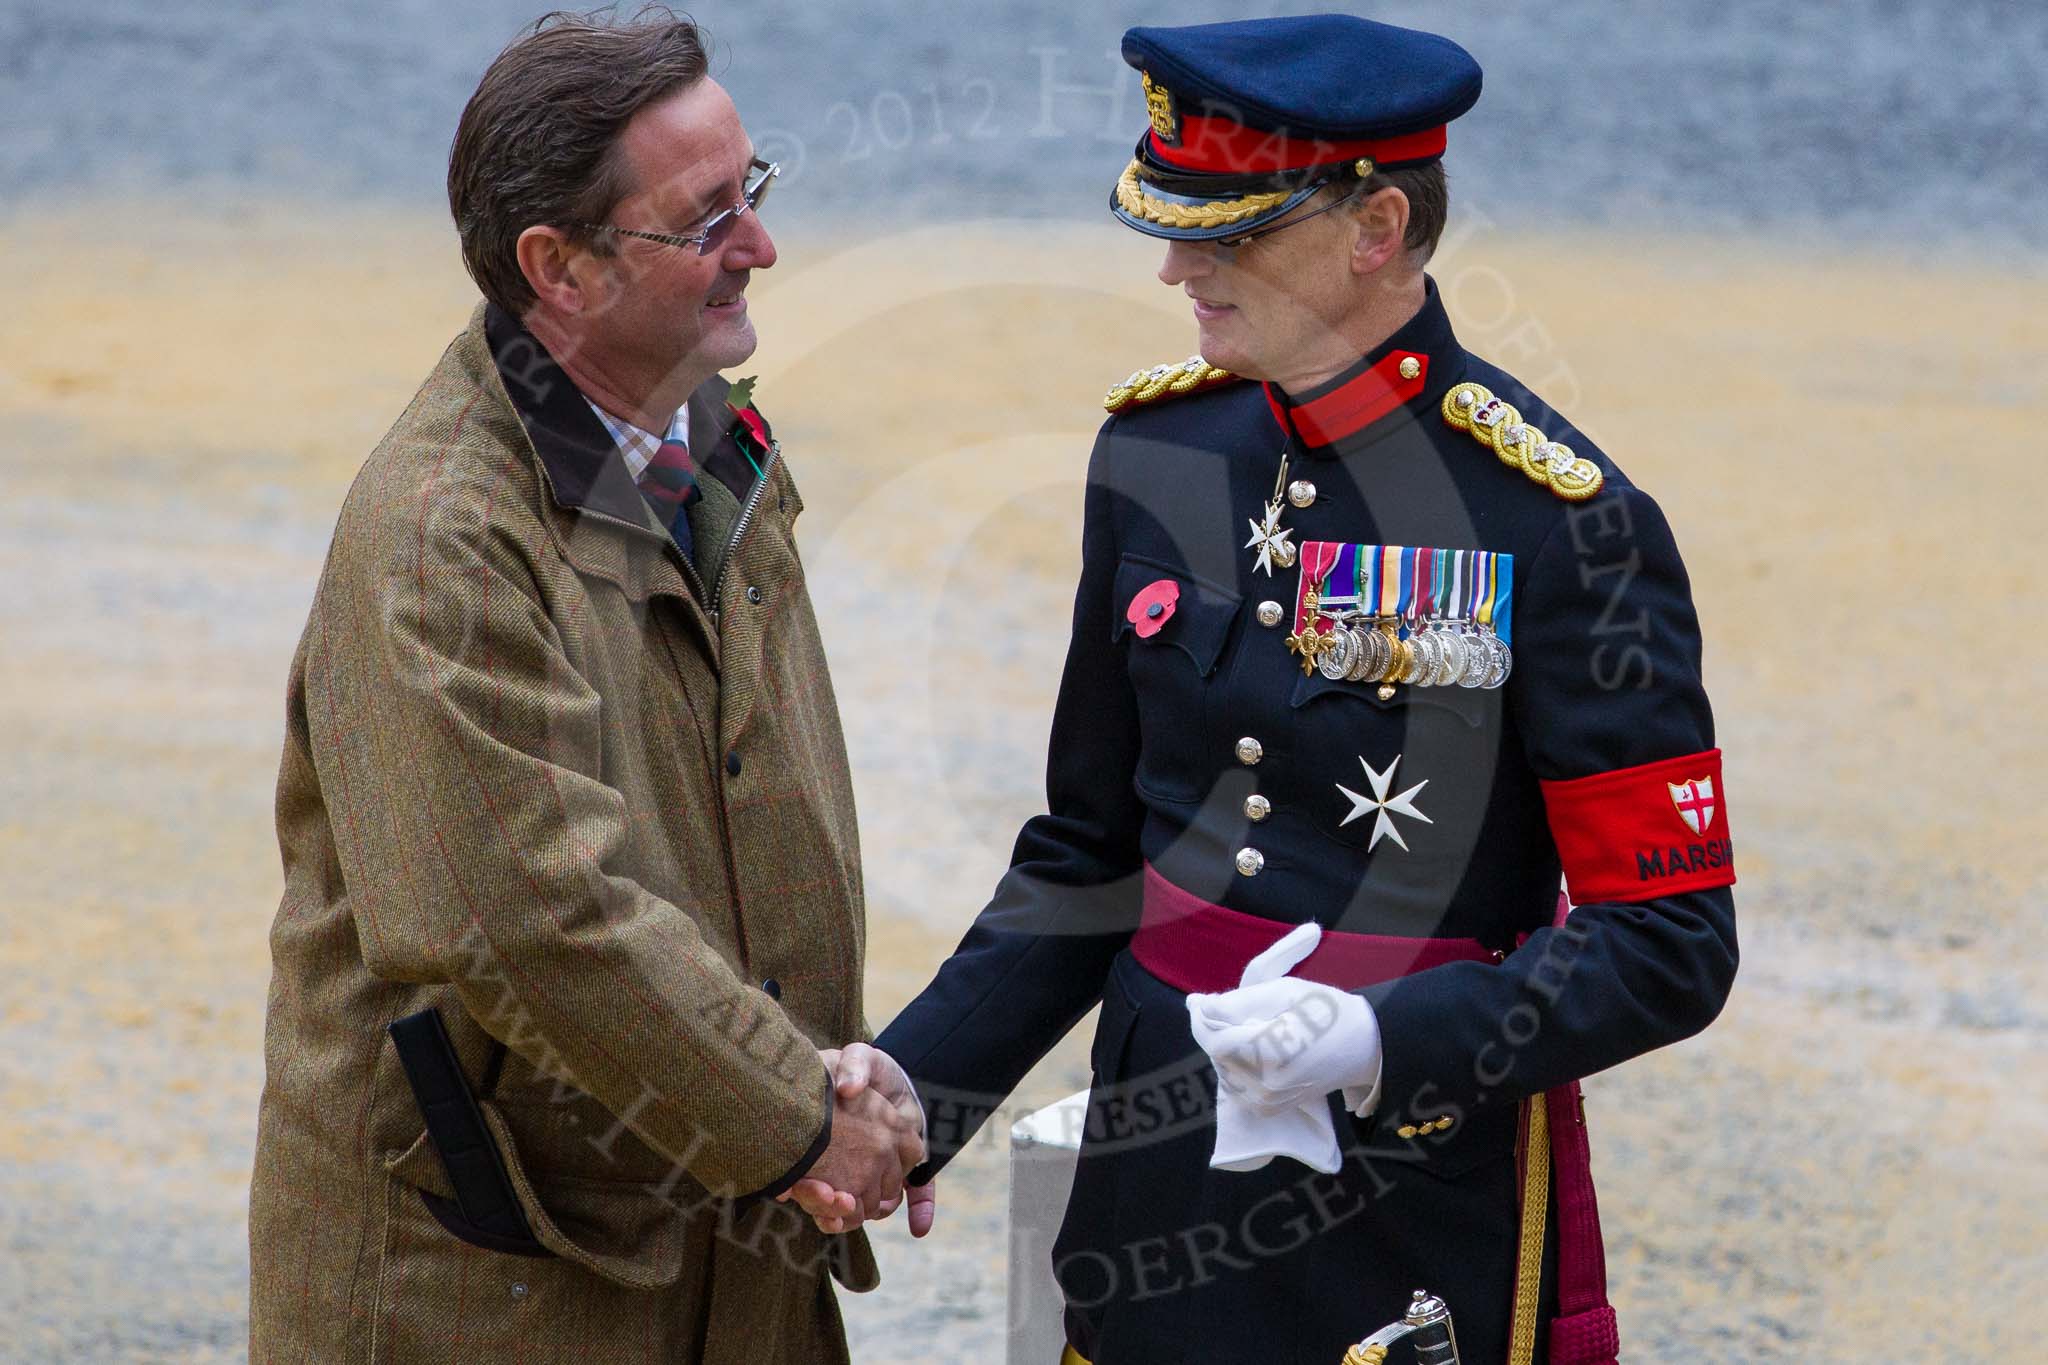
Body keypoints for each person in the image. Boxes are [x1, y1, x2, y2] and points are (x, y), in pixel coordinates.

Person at [796, 14, 1738, 1364]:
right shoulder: (1157, 452)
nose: (1178, 265)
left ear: (1377, 228)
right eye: (1176, 226)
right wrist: (914, 1091)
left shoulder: (1561, 523)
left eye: (1230, 233)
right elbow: (1093, 850)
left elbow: (1668, 942)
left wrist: (1375, 1036)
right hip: (1149, 1188)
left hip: (1404, 1201)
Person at [247, 11, 923, 1362]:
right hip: (496, 1288)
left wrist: (851, 1087)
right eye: (707, 218)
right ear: (557, 267)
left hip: (728, 1236)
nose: (761, 245)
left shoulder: (708, 438)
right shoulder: (443, 538)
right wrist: (806, 1119)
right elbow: (527, 917)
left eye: (753, 188)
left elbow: (754, 813)